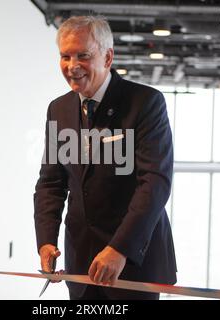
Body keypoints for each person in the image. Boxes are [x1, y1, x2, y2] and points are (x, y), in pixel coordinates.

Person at [34, 15, 176, 300]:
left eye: (83, 56)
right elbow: (51, 183)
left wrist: (120, 248)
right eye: (65, 56)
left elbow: (154, 184)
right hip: (81, 264)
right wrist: (46, 241)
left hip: (134, 264)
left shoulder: (146, 103)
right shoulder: (58, 109)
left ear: (108, 57)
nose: (72, 66)